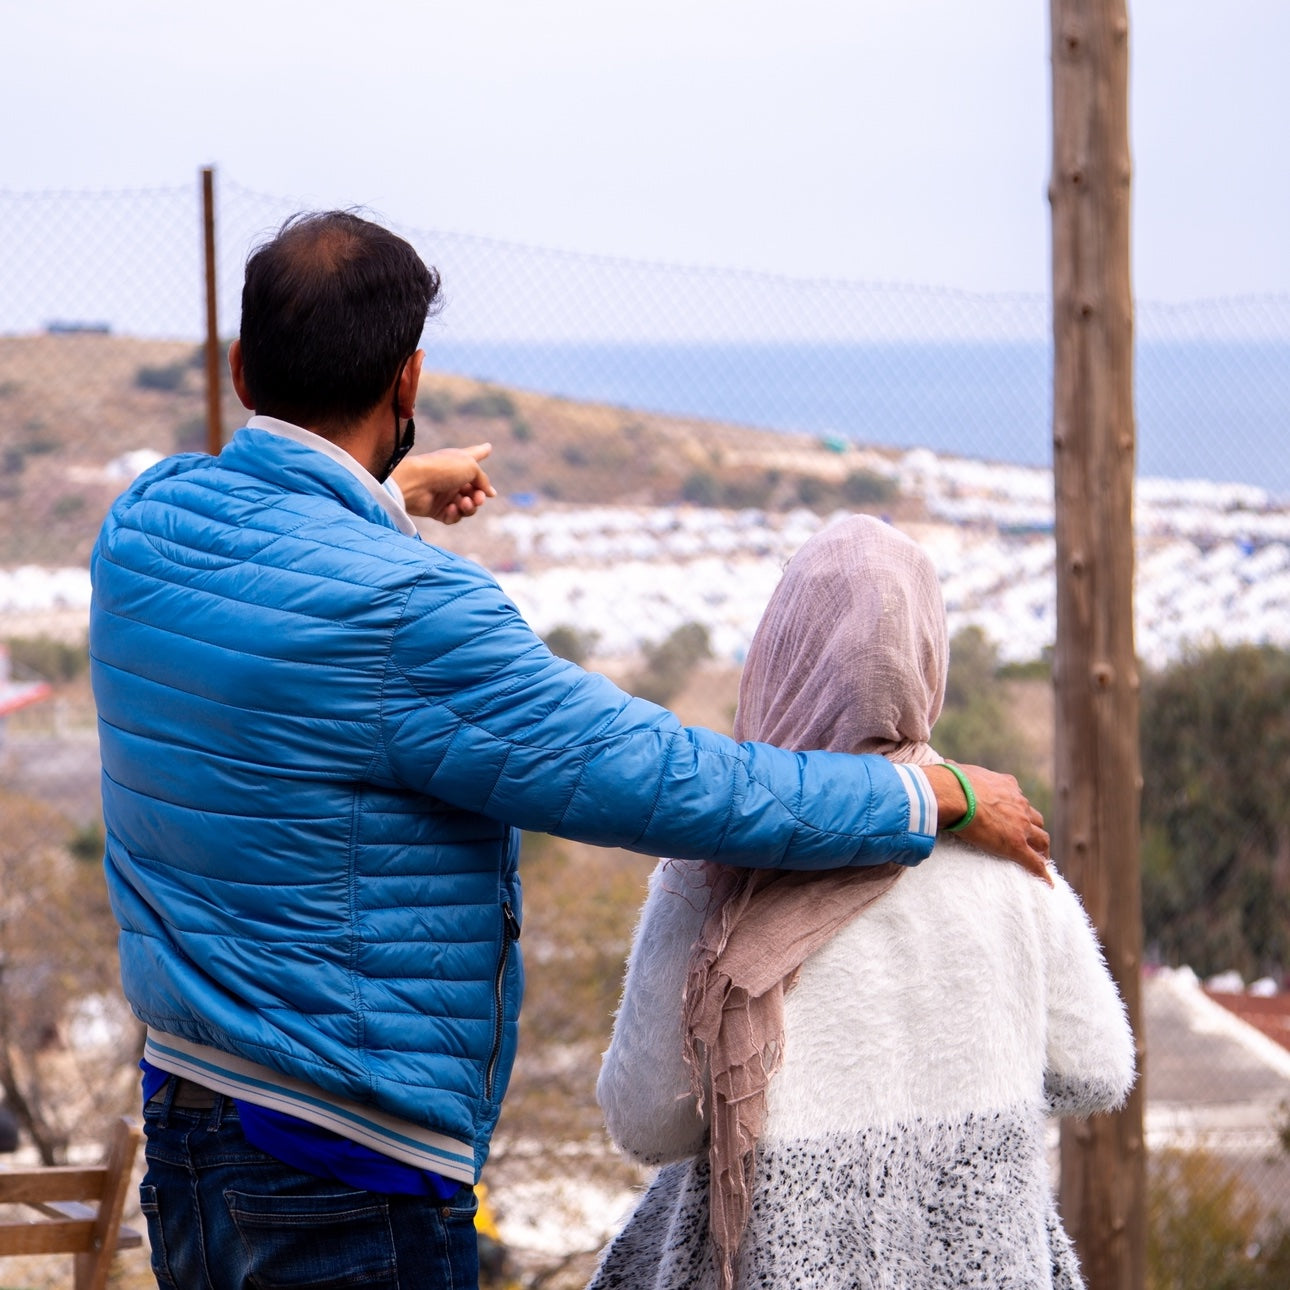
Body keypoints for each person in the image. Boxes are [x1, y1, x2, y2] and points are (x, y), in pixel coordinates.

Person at [89, 211, 1050, 1290]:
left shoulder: (146, 528)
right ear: (407, 381)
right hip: (342, 1166)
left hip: (189, 1127)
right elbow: (665, 782)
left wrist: (387, 496)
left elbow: (279, 566)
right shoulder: (414, 612)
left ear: (238, 363)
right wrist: (923, 797)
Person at [591, 516, 1135, 1290]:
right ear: (928, 658)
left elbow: (647, 1123)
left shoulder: (713, 870)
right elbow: (1099, 1072)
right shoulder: (1005, 847)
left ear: (779, 654)